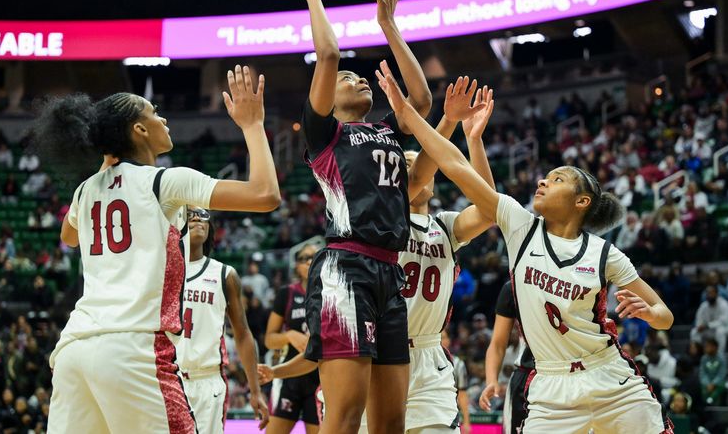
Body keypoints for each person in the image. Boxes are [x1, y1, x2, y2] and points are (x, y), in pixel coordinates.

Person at [377, 71, 674, 433]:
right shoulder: (520, 226)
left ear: (581, 202)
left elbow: (665, 316)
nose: (542, 181)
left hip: (610, 375)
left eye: (557, 179)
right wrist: (446, 128)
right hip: (549, 385)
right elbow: (456, 168)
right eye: (545, 177)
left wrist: (650, 312)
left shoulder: (604, 254)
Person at [35, 65, 278, 433]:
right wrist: (252, 125)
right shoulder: (165, 180)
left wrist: (106, 163)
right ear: (140, 129)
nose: (163, 118)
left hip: (75, 350)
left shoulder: (85, 191)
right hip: (133, 349)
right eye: (154, 112)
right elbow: (265, 195)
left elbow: (70, 238)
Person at [260, 81, 497, 434]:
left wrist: (468, 137)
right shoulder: (380, 221)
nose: (415, 164)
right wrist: (442, 124)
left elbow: (491, 208)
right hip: (368, 346)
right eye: (411, 160)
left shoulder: (445, 227)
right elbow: (417, 173)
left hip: (427, 357)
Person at [280, 0, 432, 434]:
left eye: (361, 78)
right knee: (344, 418)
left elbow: (422, 103)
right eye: (350, 79)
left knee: (391, 425)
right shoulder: (325, 135)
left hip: (391, 273)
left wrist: (389, 25)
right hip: (346, 271)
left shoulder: (386, 129)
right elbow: (328, 56)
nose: (359, 78)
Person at [176, 206, 269, 433]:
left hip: (208, 380)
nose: (198, 218)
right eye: (191, 216)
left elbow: (243, 333)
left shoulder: (224, 274)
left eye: (204, 217)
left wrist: (255, 390)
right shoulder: (161, 271)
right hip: (169, 377)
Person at [264, 244, 320, 434]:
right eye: (304, 258)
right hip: (289, 376)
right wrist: (289, 335)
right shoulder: (286, 293)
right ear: (296, 265)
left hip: (320, 378)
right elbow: (269, 340)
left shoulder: (330, 293)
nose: (309, 261)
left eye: (314, 256)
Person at [479, 281, 535, 434]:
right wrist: (491, 381)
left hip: (569, 373)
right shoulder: (514, 286)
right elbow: (497, 343)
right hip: (526, 377)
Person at [691, 284, 728, 355]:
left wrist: (708, 326)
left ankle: (719, 355)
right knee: (694, 332)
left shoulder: (724, 304)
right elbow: (699, 320)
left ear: (716, 293)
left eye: (711, 293)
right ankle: (700, 354)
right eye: (707, 293)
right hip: (711, 331)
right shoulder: (703, 306)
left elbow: (724, 322)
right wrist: (699, 326)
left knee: (720, 331)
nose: (709, 295)